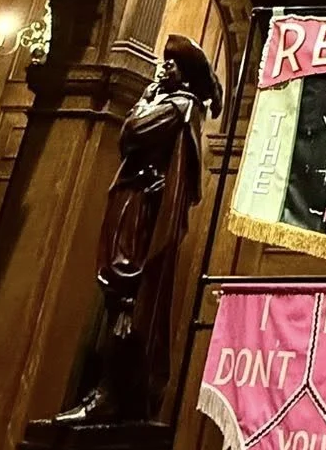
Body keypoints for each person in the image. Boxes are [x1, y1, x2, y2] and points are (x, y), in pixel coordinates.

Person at [58, 34, 222, 424]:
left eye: (172, 65)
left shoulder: (178, 107)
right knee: (117, 292)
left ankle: (114, 394)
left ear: (183, 78)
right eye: (165, 62)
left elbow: (131, 132)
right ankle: (109, 390)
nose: (164, 69)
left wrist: (147, 97)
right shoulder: (177, 106)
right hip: (134, 199)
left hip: (144, 211)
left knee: (127, 289)